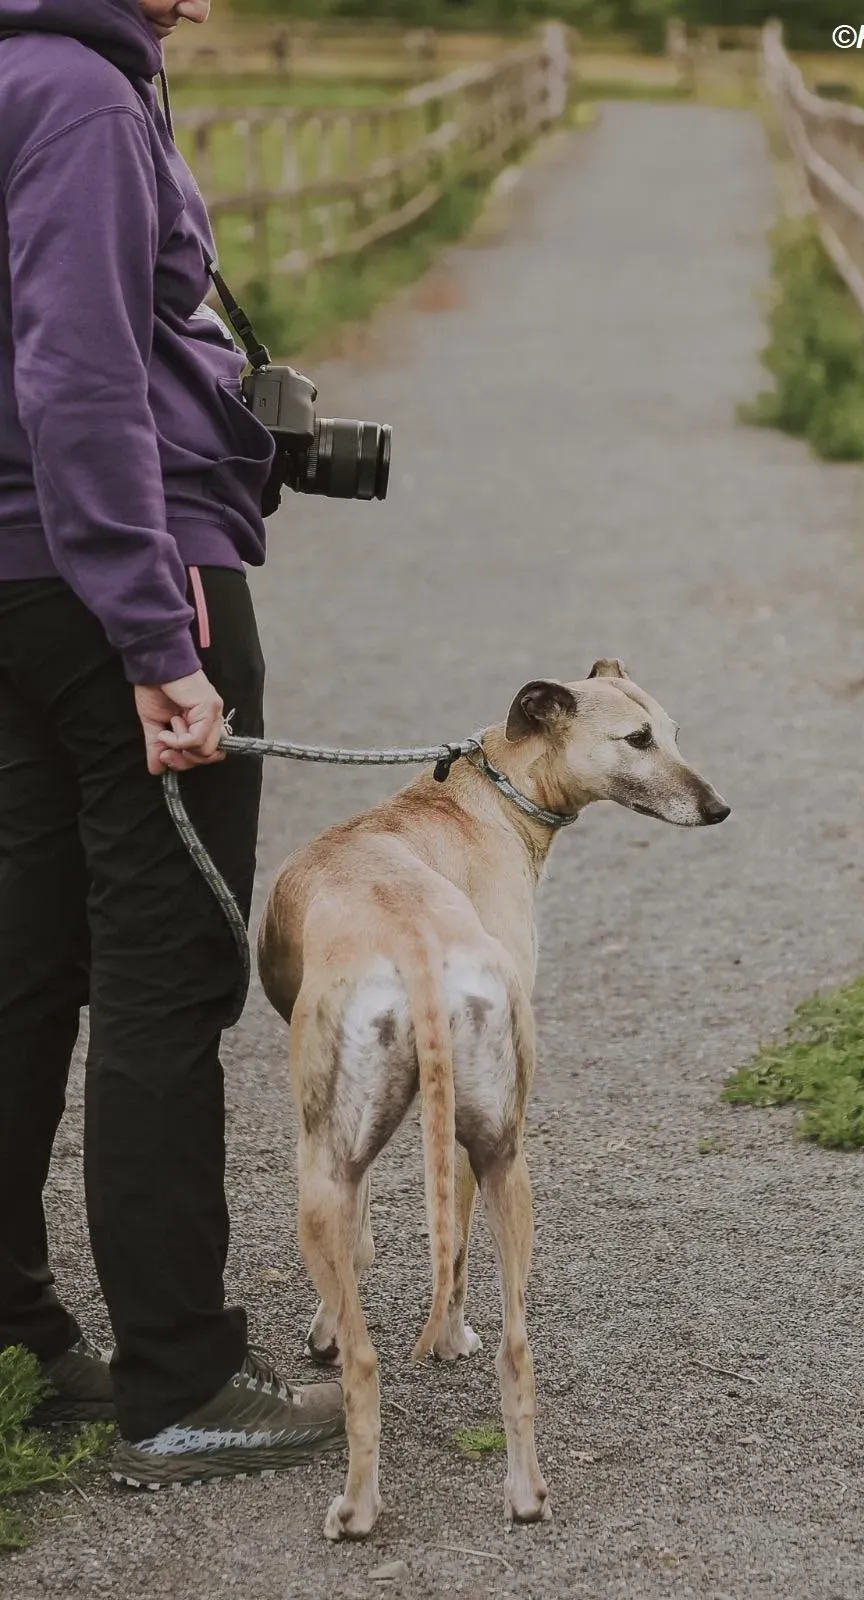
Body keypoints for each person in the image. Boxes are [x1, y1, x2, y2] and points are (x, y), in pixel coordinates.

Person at [0, 0, 345, 1487]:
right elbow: (76, 368)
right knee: (165, 966)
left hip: (18, 577)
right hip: (114, 583)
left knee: (28, 958)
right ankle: (183, 1380)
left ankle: (17, 1337)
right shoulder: (76, 93)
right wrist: (158, 635)